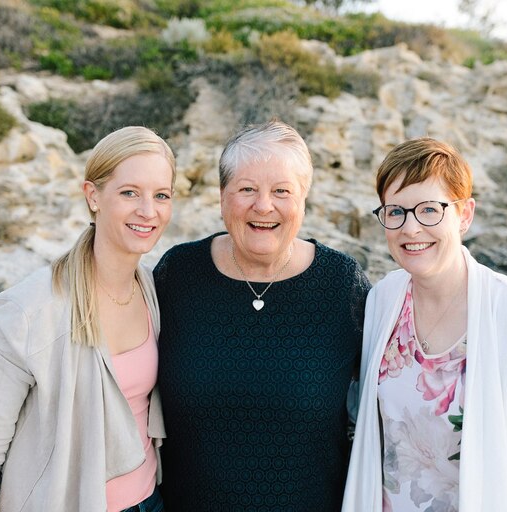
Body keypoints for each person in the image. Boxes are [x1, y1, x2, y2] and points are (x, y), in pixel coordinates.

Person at [343, 138, 507, 512]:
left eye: (429, 210)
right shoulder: (383, 299)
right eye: (396, 212)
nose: (411, 229)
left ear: (465, 214)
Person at [154, 120, 371, 511]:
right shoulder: (178, 274)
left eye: (282, 191)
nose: (264, 205)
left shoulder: (342, 285)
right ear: (222, 198)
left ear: (303, 199)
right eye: (247, 189)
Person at [0, 126, 175, 512]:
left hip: (149, 502)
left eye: (161, 195)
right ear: (93, 196)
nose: (148, 211)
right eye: (129, 193)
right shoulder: (29, 310)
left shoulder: (153, 290)